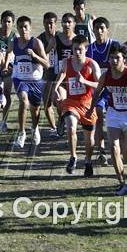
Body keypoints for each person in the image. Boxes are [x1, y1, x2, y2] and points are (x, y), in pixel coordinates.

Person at [87, 44, 127, 195]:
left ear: (124, 60)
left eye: (117, 58)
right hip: (114, 114)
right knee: (113, 148)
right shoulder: (106, 76)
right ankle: (122, 183)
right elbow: (97, 92)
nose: (113, 61)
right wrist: (91, 108)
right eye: (111, 58)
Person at [53, 35, 101, 176]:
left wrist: (85, 82)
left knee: (89, 139)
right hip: (71, 103)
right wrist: (56, 88)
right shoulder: (66, 62)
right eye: (75, 49)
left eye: (80, 49)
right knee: (71, 127)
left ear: (86, 49)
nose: (77, 52)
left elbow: (100, 85)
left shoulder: (92, 64)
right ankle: (73, 157)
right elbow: (62, 74)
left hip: (87, 104)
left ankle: (87, 161)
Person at [4, 16, 49, 148]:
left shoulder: (36, 43)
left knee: (35, 110)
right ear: (17, 28)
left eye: (26, 27)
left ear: (30, 28)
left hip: (35, 80)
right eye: (20, 27)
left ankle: (34, 129)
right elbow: (8, 52)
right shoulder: (14, 42)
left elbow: (47, 64)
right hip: (20, 79)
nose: (23, 30)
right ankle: (21, 132)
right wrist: (6, 65)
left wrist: (34, 56)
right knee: (23, 101)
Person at [86, 17, 122, 165]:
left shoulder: (114, 45)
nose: (100, 31)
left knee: (119, 119)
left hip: (117, 89)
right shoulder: (90, 49)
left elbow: (126, 62)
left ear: (107, 29)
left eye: (102, 28)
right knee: (99, 114)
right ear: (93, 31)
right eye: (97, 28)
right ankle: (101, 150)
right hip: (100, 90)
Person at [46, 13, 77, 137]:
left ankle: (69, 120)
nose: (66, 24)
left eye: (69, 22)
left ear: (74, 24)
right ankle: (62, 119)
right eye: (64, 22)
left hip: (75, 78)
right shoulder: (55, 39)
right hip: (60, 77)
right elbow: (46, 53)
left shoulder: (78, 40)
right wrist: (49, 66)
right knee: (59, 100)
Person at [0, 10, 17, 133]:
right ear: (0, 22)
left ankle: (3, 122)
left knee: (7, 94)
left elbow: (14, 53)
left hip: (9, 68)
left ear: (12, 23)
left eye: (9, 22)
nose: (6, 24)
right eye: (4, 21)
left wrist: (8, 66)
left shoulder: (14, 37)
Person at [37, 12, 58, 136]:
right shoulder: (39, 40)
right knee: (46, 103)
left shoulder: (61, 37)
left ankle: (62, 121)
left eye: (51, 23)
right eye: (46, 23)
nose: (49, 26)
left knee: (59, 102)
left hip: (61, 73)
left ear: (55, 24)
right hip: (47, 74)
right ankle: (54, 128)